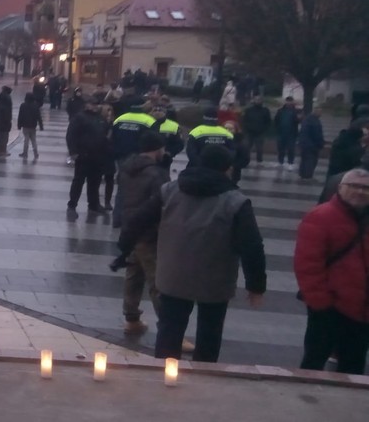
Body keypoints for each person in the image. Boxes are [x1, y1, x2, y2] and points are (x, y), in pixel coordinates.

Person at [124, 145, 266, 362]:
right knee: (210, 332)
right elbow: (252, 245)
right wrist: (256, 286)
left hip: (173, 275)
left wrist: (123, 249)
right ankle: (203, 378)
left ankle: (165, 377)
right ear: (227, 169)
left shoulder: (170, 190)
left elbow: (138, 221)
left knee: (169, 331)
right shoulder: (236, 201)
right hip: (216, 280)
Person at [295, 168, 369, 375]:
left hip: (361, 309)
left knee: (354, 364)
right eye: (353, 186)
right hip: (329, 307)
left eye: (365, 188)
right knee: (314, 361)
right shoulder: (321, 217)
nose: (360, 192)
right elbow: (307, 264)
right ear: (340, 188)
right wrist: (321, 304)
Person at [115, 131, 170, 335]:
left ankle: (131, 317)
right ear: (158, 149)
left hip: (130, 228)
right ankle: (169, 329)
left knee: (134, 273)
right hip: (149, 232)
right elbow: (163, 201)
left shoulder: (126, 168)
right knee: (157, 281)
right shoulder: (156, 174)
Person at [66, 97, 111, 215]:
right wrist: (73, 152)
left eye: (97, 104)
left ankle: (93, 204)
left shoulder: (101, 119)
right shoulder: (79, 118)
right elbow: (71, 135)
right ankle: (72, 205)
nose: (95, 106)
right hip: (83, 155)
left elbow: (105, 135)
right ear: (87, 105)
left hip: (98, 156)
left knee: (95, 182)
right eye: (93, 104)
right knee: (78, 182)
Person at [241, 96, 272, 167]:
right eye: (256, 100)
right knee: (247, 148)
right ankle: (246, 161)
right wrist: (246, 129)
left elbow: (268, 121)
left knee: (259, 148)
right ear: (254, 101)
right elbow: (244, 120)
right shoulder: (249, 110)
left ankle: (259, 161)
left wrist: (264, 129)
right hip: (249, 132)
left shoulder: (265, 110)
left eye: (259, 100)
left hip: (260, 132)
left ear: (261, 101)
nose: (258, 101)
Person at [298, 107, 325, 180]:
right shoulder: (314, 121)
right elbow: (317, 135)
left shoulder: (307, 119)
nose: (321, 114)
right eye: (320, 112)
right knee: (310, 161)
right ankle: (308, 175)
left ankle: (302, 174)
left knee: (304, 159)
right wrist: (320, 143)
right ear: (316, 112)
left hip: (304, 144)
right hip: (311, 145)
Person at [274, 97, 301, 170]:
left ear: (292, 102)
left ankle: (290, 163)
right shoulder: (280, 111)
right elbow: (276, 120)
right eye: (287, 101)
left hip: (291, 134)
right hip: (281, 133)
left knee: (291, 149)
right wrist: (277, 129)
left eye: (290, 101)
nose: (289, 103)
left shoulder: (296, 111)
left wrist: (298, 118)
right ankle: (280, 162)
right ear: (285, 102)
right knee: (280, 149)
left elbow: (299, 121)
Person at [17, 92, 41, 160]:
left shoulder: (23, 105)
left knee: (26, 140)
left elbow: (20, 116)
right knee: (33, 140)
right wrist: (41, 125)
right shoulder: (36, 105)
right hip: (33, 125)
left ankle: (25, 153)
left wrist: (19, 125)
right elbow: (39, 116)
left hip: (25, 125)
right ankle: (35, 153)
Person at [0, 86, 13, 156]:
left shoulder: (0, 102)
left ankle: (0, 150)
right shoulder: (7, 103)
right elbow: (8, 114)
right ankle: (3, 150)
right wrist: (9, 122)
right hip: (5, 122)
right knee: (4, 137)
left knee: (0, 136)